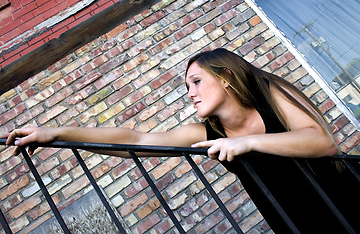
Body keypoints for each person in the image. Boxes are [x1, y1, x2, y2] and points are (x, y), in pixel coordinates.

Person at [2, 48, 350, 233]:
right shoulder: (207, 133)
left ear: (226, 77)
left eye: (196, 82)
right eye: (186, 87)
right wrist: (56, 133)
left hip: (344, 200)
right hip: (293, 221)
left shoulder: (271, 92)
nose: (190, 94)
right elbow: (135, 139)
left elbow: (321, 141)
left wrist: (247, 143)